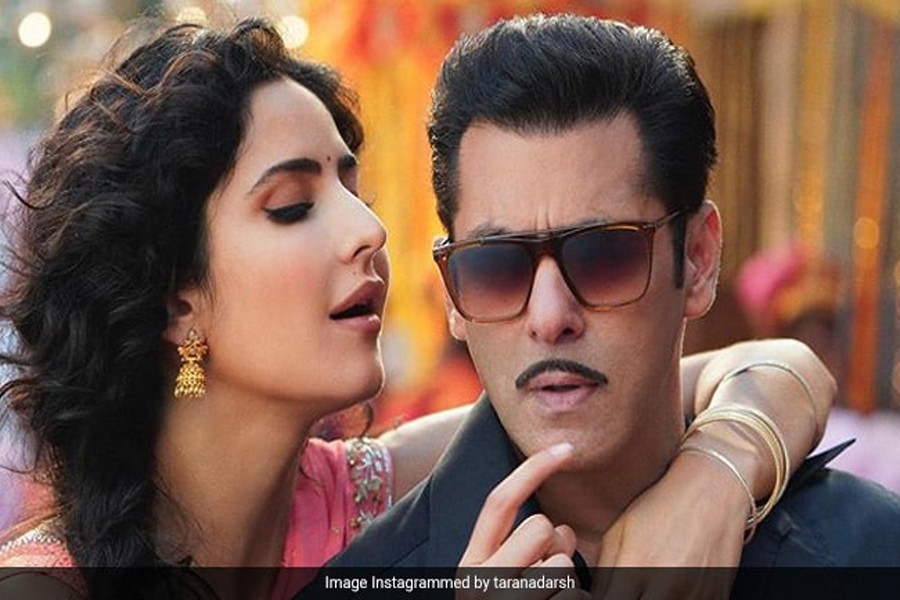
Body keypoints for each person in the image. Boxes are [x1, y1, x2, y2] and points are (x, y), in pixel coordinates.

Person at [0, 15, 836, 600]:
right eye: (293, 206)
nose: (368, 231)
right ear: (178, 303)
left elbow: (763, 369)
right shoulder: (47, 588)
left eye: (353, 189)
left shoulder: (370, 496)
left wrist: (716, 477)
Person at [321, 13, 900, 595]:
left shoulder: (867, 553)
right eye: (496, 266)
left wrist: (722, 467)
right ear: (452, 292)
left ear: (698, 259)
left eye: (603, 256)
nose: (550, 318)